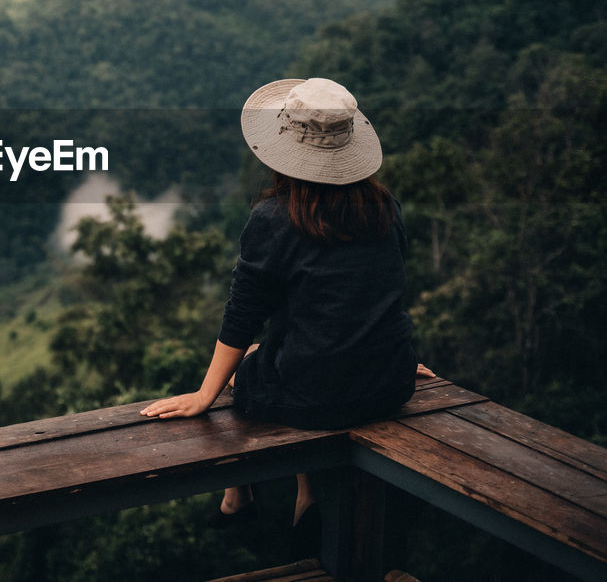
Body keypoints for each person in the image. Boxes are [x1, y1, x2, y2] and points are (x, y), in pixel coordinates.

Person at [141, 77, 432, 543]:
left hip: (317, 397)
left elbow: (242, 316)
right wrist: (394, 354)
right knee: (275, 352)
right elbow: (379, 292)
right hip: (389, 384)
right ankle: (305, 495)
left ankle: (238, 495)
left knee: (245, 370)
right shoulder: (384, 207)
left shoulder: (276, 218)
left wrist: (203, 395)